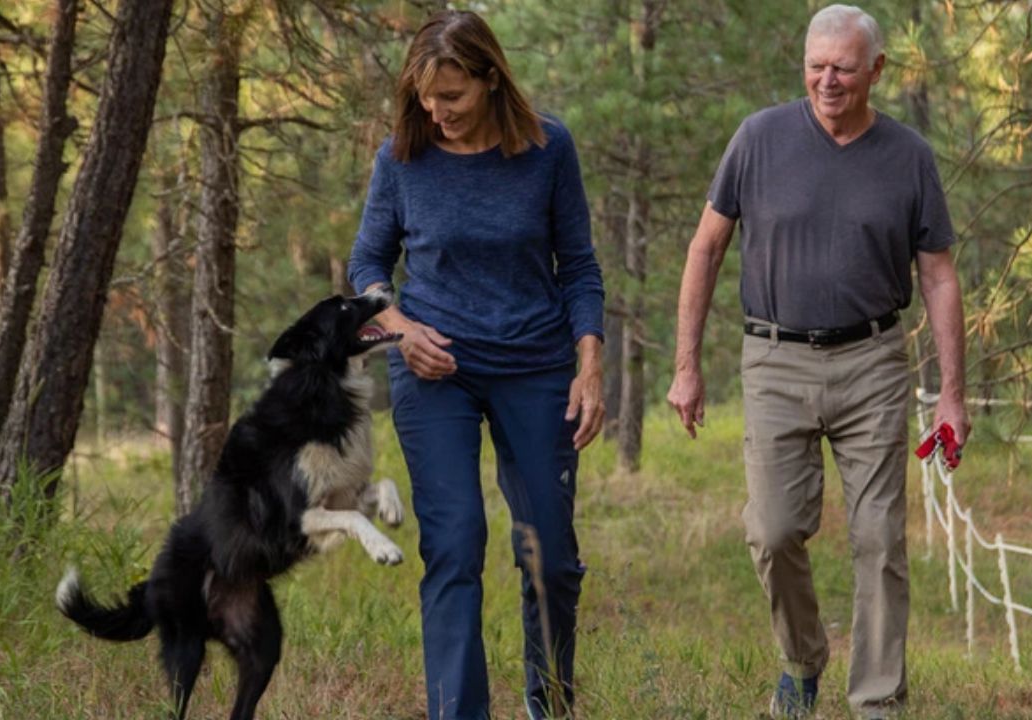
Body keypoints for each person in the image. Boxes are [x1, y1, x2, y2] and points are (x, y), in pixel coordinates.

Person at [666, 5, 970, 719]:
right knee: (770, 531)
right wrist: (687, 365)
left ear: (877, 71)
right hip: (775, 361)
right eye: (815, 66)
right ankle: (802, 661)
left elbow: (940, 275)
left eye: (842, 67)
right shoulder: (759, 139)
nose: (827, 81)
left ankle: (877, 701)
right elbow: (705, 248)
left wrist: (952, 394)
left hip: (872, 361)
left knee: (878, 539)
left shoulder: (907, 156)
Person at [347, 10, 604, 720]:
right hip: (435, 370)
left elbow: (578, 266)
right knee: (455, 543)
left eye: (453, 97)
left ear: (491, 78)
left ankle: (548, 703)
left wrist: (590, 363)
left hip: (538, 364)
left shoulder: (549, 148)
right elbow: (367, 263)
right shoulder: (402, 157)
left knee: (548, 555)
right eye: (427, 98)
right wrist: (397, 328)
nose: (439, 112)